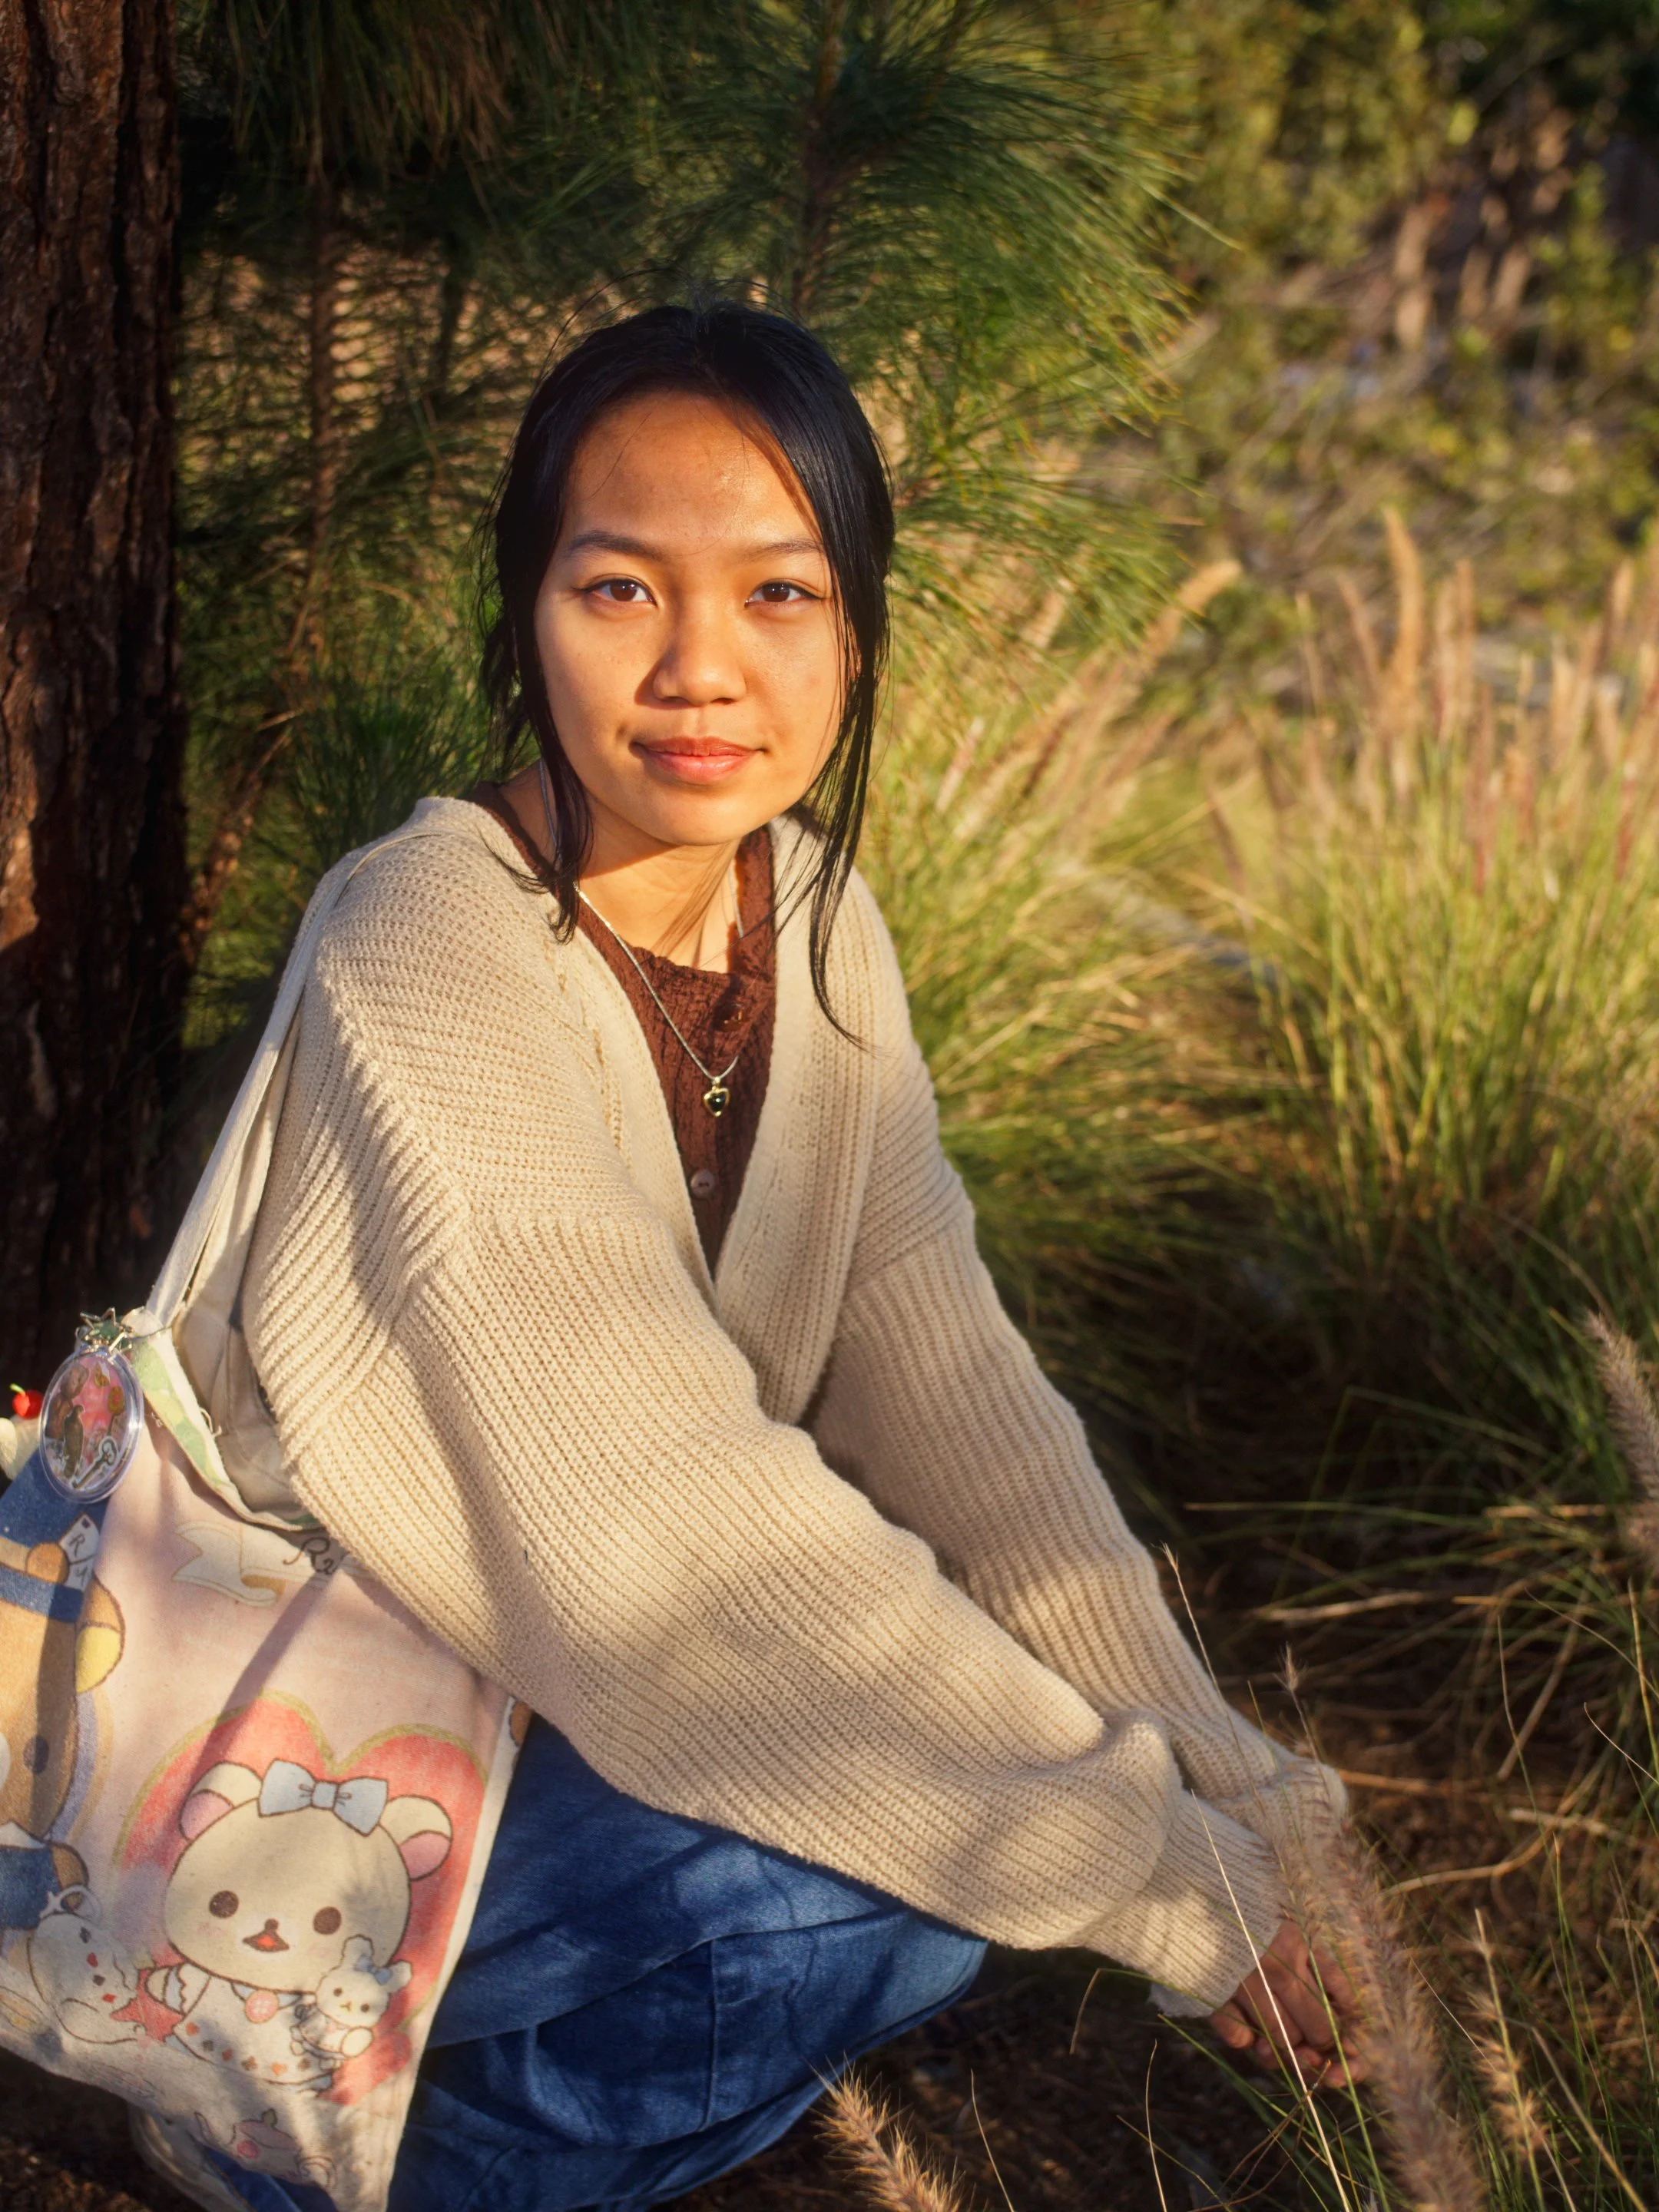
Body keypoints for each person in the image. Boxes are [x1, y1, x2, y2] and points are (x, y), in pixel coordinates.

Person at [191, 302, 1359, 2212]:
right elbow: (666, 1511)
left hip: (564, 1711)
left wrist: (1228, 1782)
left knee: (941, 1874)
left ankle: (366, 2144)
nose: (702, 669)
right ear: (526, 616)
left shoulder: (806, 913)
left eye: (780, 595)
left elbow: (958, 1390)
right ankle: (254, 2120)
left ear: (858, 628)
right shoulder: (429, 933)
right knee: (861, 1876)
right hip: (308, 1751)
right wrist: (1149, 1864)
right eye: (621, 590)